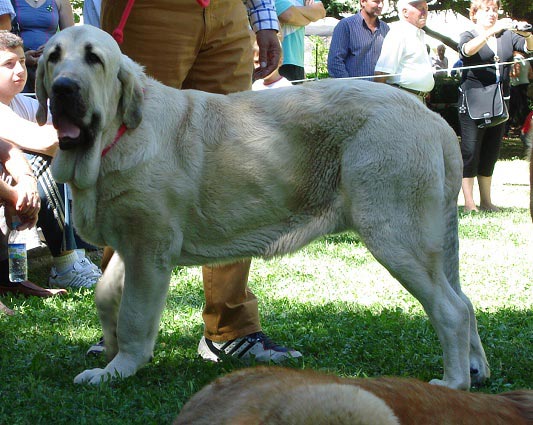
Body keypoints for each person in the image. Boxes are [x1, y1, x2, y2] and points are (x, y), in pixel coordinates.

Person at [93, 0, 302, 363]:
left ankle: (230, 327)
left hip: (227, 11)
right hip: (148, 10)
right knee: (130, 152)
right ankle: (119, 330)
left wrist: (263, 18)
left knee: (232, 160)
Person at [0, 30, 102, 289]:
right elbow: (46, 141)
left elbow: (59, 138)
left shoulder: (22, 102)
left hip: (19, 183)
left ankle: (82, 246)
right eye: (9, 64)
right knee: (42, 161)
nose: (20, 70)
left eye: (22, 61)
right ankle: (65, 264)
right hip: (11, 188)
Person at [457, 0, 533, 212]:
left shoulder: (506, 35)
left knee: (491, 151)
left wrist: (526, 34)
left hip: (499, 102)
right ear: (475, 14)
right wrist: (490, 33)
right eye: (486, 10)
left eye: (494, 10)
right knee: (471, 152)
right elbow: (466, 52)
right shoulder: (469, 33)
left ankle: (487, 201)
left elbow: (528, 47)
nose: (492, 14)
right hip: (472, 102)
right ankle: (469, 203)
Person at [374, 0, 434, 103]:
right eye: (421, 8)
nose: (425, 12)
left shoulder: (417, 35)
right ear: (405, 12)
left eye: (426, 8)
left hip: (416, 99)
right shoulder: (399, 33)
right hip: (402, 100)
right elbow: (381, 73)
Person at [10, 0, 74, 93]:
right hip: (20, 65)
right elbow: (4, 34)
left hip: (50, 64)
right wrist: (21, 58)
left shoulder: (61, 1)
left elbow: (71, 37)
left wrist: (53, 47)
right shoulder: (10, 1)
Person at [327, 0, 390, 79]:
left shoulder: (385, 28)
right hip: (353, 88)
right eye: (376, 1)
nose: (380, 5)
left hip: (378, 89)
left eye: (382, 2)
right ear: (363, 2)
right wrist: (349, 86)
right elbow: (335, 61)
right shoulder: (346, 25)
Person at [274, 0, 325, 82]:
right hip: (274, 62)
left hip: (297, 64)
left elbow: (321, 11)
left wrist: (296, 13)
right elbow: (288, 15)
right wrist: (309, 15)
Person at [508, 51, 532, 134]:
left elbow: (516, 73)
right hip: (525, 84)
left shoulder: (516, 60)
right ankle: (524, 125)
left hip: (516, 85)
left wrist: (509, 74)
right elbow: (531, 75)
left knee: (514, 106)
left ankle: (515, 125)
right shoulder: (527, 60)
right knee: (523, 104)